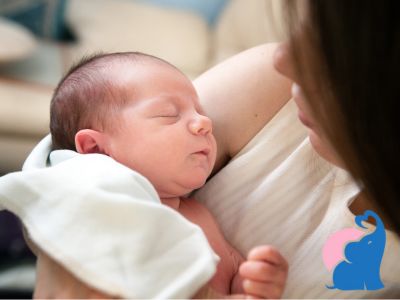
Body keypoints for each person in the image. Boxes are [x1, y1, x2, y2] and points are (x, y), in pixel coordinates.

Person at [29, 0, 400, 298]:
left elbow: (231, 275)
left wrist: (252, 283)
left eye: (329, 43)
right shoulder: (271, 87)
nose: (283, 58)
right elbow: (59, 170)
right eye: (170, 113)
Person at [42, 51, 288, 299]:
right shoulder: (108, 219)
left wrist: (252, 281)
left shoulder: (199, 215)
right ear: (97, 149)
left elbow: (232, 270)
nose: (204, 123)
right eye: (170, 114)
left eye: (200, 111)